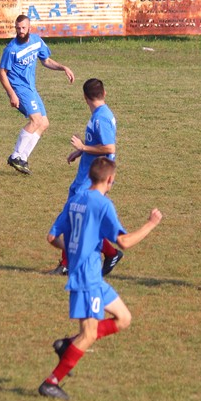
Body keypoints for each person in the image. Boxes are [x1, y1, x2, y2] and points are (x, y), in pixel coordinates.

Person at [39, 158, 163, 400]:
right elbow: (124, 242)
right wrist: (151, 224)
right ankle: (51, 382)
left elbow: (52, 237)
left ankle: (67, 345)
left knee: (124, 318)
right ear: (109, 179)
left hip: (93, 276)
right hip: (87, 279)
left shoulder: (76, 200)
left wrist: (74, 250)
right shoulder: (103, 204)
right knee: (89, 335)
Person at [48, 78, 124, 277]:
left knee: (74, 217)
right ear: (104, 93)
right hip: (86, 173)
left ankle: (67, 263)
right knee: (83, 220)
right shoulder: (98, 115)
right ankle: (110, 253)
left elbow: (109, 147)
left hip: (92, 179)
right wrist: (82, 152)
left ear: (84, 97)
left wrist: (83, 147)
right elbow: (98, 143)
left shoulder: (102, 118)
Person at [0, 14, 74, 175]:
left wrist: (63, 68)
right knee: (36, 120)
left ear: (29, 28)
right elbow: (2, 73)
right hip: (20, 89)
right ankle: (15, 156)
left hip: (31, 88)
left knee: (44, 123)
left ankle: (22, 158)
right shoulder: (11, 49)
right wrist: (12, 94)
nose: (20, 31)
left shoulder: (36, 41)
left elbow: (46, 60)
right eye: (18, 28)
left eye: (23, 28)